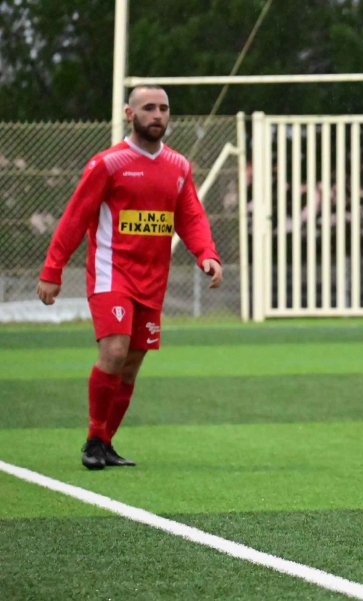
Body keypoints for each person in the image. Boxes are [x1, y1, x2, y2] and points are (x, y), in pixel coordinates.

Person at [37, 85, 222, 470]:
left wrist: (207, 254)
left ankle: (105, 443)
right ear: (129, 114)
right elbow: (75, 218)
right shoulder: (108, 163)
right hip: (111, 273)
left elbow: (190, 217)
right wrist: (52, 270)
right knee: (115, 352)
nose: (157, 115)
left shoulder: (179, 166)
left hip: (152, 280)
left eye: (164, 108)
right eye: (149, 108)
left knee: (132, 363)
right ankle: (92, 439)